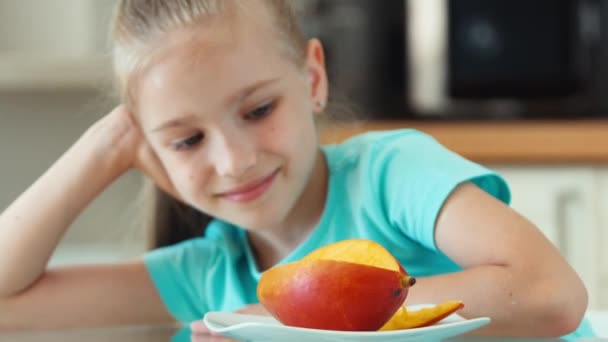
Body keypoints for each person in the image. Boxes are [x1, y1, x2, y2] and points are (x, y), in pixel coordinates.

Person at [0, 0, 595, 339]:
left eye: (258, 110)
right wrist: (101, 149)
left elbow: (552, 294)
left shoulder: (389, 176)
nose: (235, 160)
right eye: (186, 140)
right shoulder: (210, 274)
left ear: (312, 78)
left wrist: (280, 323)